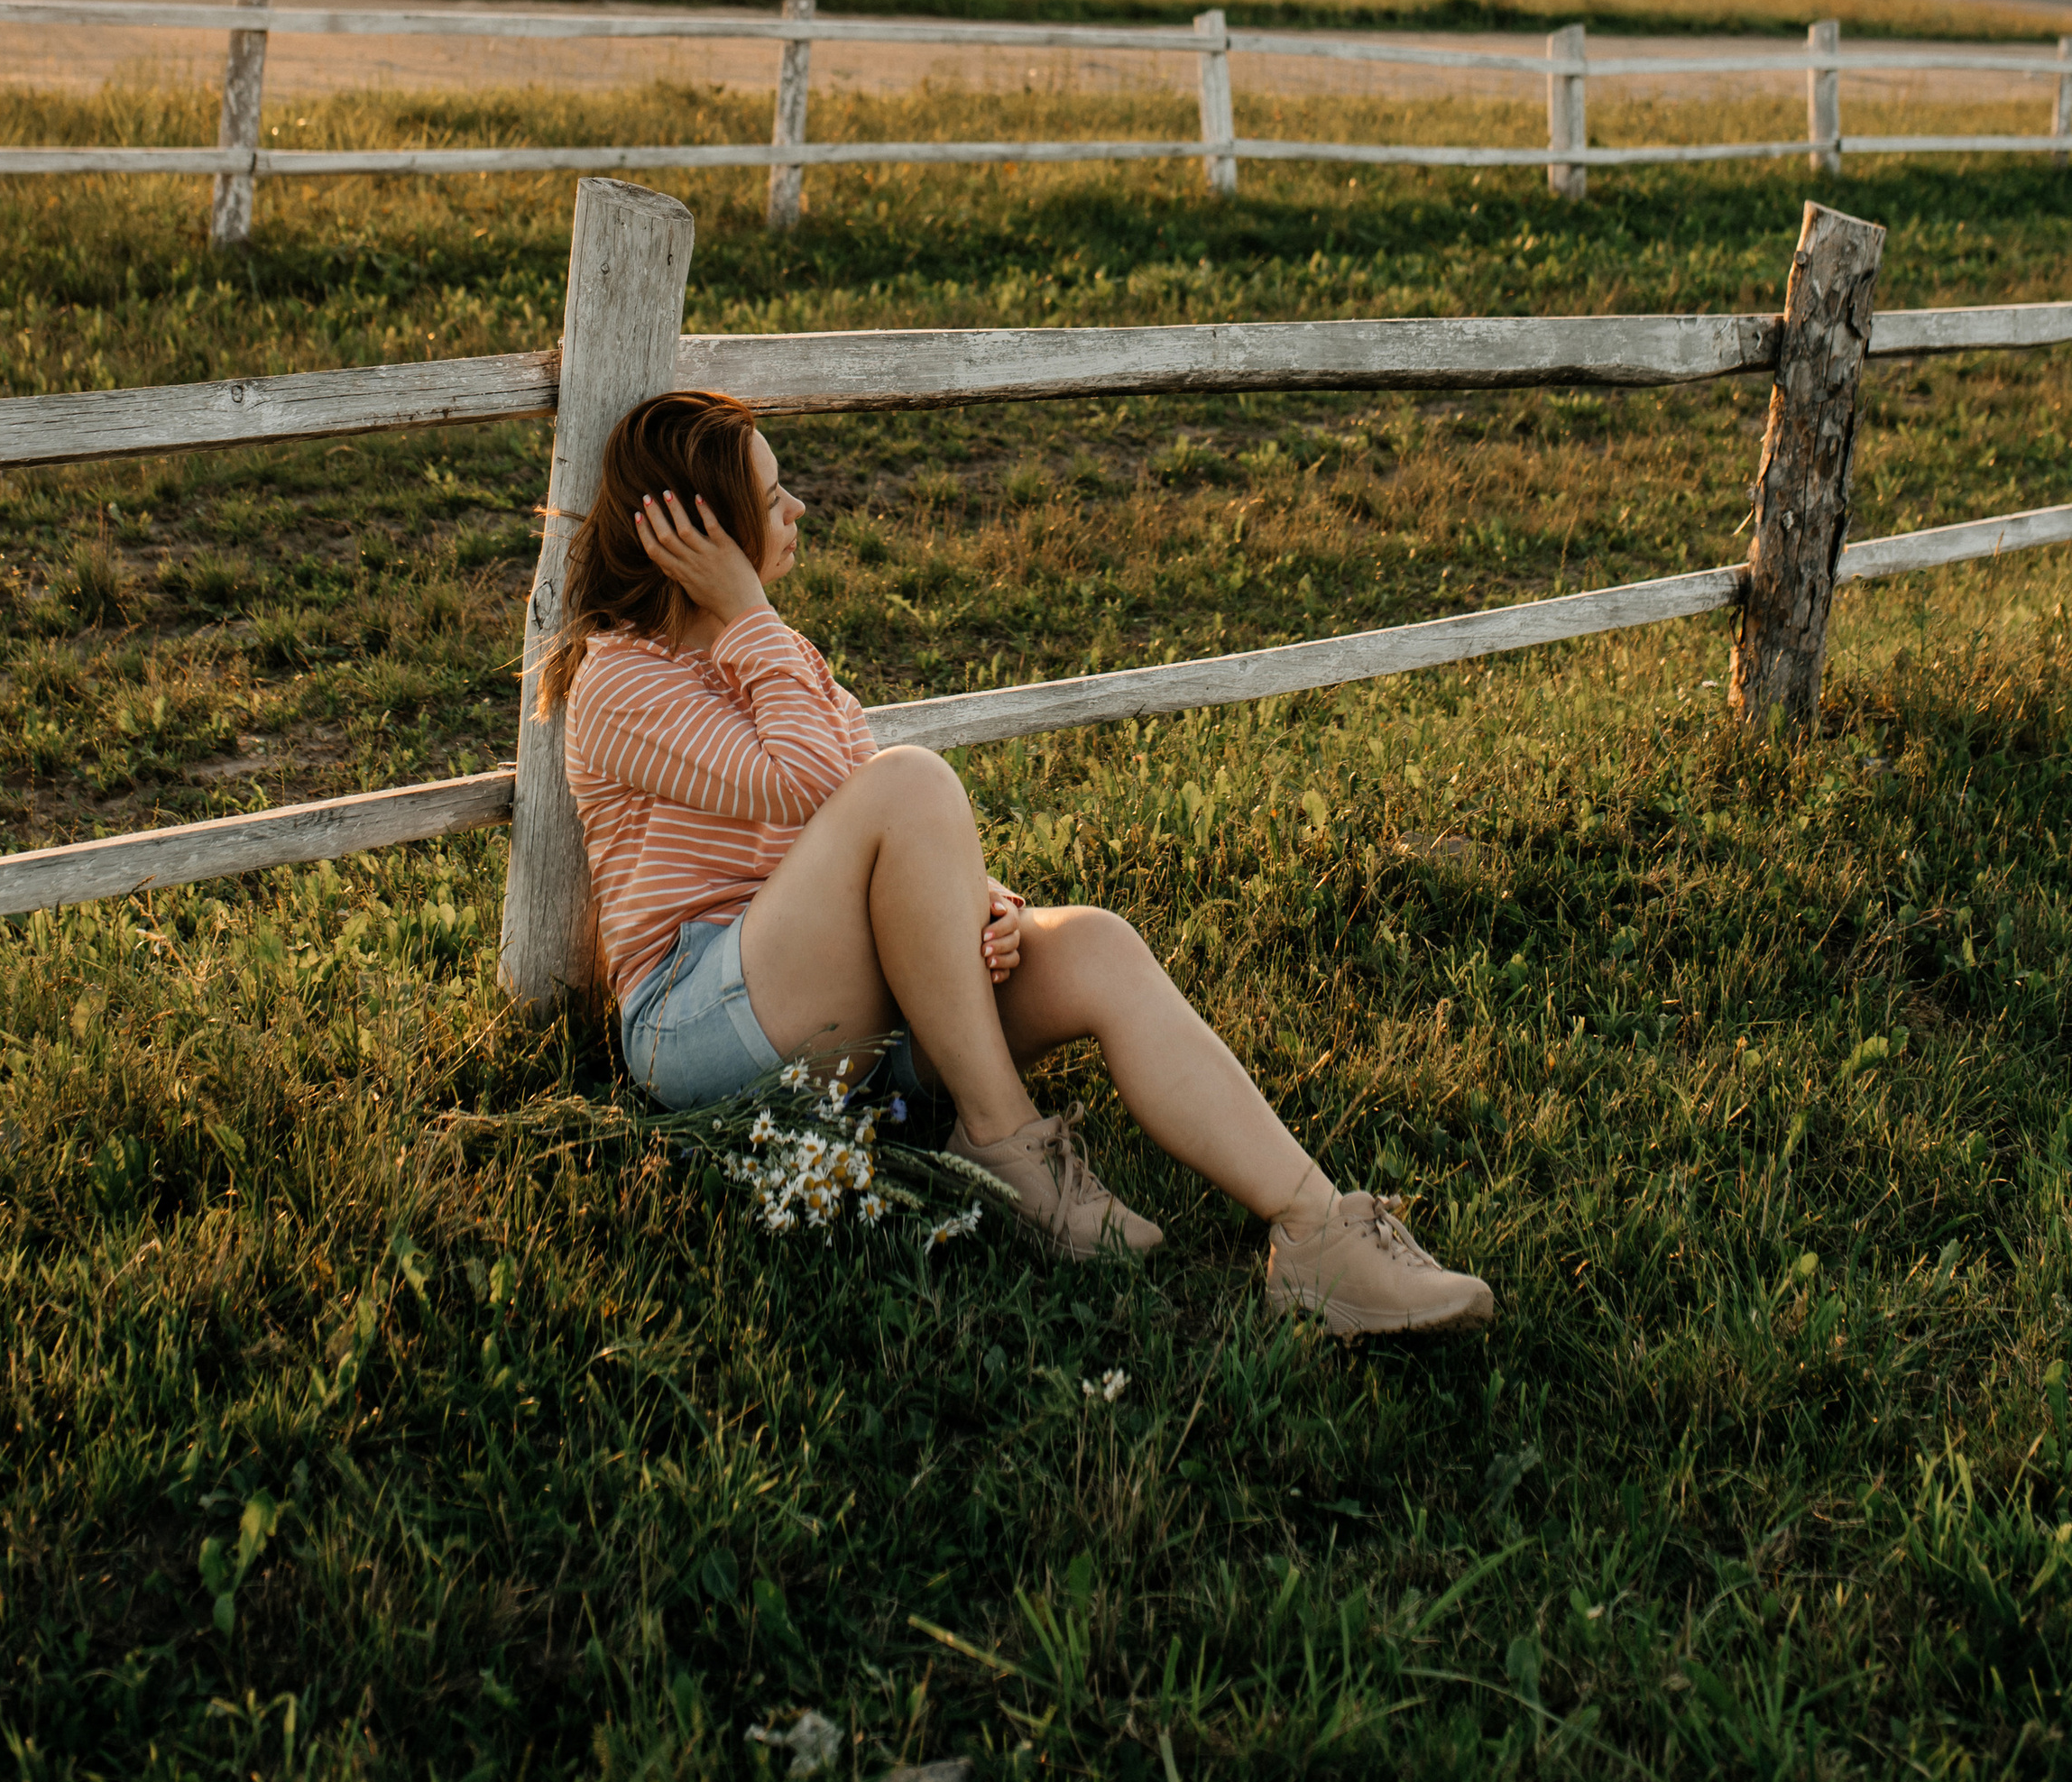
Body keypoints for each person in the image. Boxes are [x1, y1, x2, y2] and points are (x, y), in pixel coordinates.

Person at [548, 388, 1493, 1336]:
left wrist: (985, 909)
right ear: (702, 528)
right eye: (771, 494)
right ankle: (1003, 1139)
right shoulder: (623, 676)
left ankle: (1319, 1230)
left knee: (1094, 947)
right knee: (910, 779)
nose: (796, 510)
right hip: (699, 1025)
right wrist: (749, 610)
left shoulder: (782, 660)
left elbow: (867, 823)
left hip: (840, 1017)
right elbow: (817, 788)